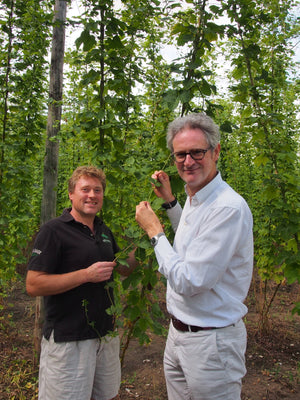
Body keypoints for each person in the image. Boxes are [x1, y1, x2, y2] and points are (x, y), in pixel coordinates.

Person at [135, 113, 253, 400]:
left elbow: (190, 280)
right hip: (179, 334)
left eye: (197, 152)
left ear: (216, 151)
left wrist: (154, 231)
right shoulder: (196, 196)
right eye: (180, 154)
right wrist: (170, 202)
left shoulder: (227, 208)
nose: (188, 162)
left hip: (211, 345)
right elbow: (192, 239)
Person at [26, 165, 136, 400]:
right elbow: (33, 284)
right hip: (69, 340)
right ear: (71, 194)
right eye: (85, 189)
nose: (92, 195)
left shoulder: (103, 230)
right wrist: (85, 275)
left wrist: (148, 235)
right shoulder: (53, 231)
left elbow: (125, 268)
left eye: (98, 190)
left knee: (106, 395)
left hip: (105, 335)